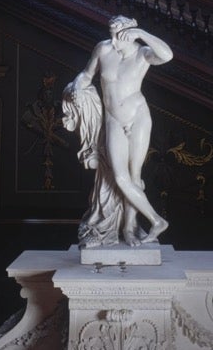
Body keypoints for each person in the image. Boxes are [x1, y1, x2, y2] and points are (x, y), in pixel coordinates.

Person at [62, 16, 174, 248]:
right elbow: (86, 73)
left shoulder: (143, 53)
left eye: (118, 35)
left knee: (134, 176)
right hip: (113, 119)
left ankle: (129, 229)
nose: (113, 40)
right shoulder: (103, 49)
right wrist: (77, 86)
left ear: (130, 33)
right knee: (121, 178)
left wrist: (142, 32)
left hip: (138, 117)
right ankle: (156, 220)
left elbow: (167, 55)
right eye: (110, 33)